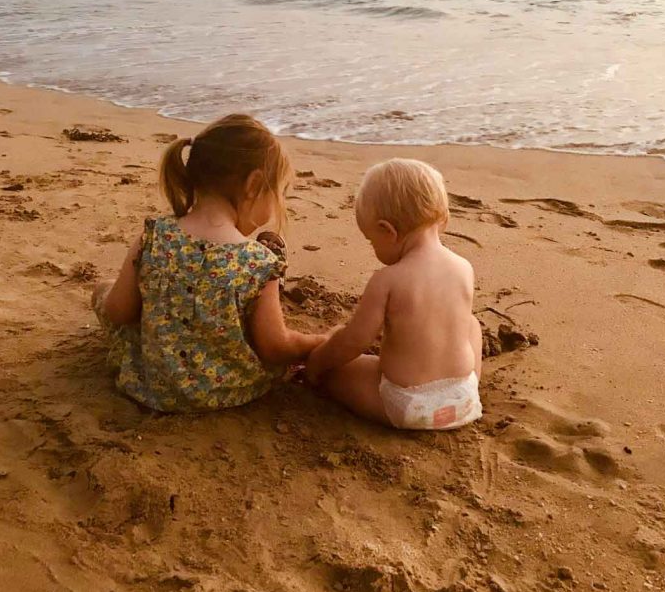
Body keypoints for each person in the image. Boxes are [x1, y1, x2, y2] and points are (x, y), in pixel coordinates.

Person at [92, 114, 325, 412]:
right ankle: (250, 302)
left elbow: (118, 312)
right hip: (229, 391)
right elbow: (275, 346)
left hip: (152, 387)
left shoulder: (153, 236)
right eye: (277, 192)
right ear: (253, 185)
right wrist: (318, 341)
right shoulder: (258, 261)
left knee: (104, 289)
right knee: (251, 292)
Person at [305, 158, 482, 430]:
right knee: (470, 324)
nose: (373, 247)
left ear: (387, 231)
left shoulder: (387, 280)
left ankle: (325, 376)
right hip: (463, 401)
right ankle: (470, 383)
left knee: (339, 372)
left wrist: (317, 363)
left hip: (410, 407)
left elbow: (355, 340)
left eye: (371, 240)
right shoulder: (464, 268)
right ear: (443, 218)